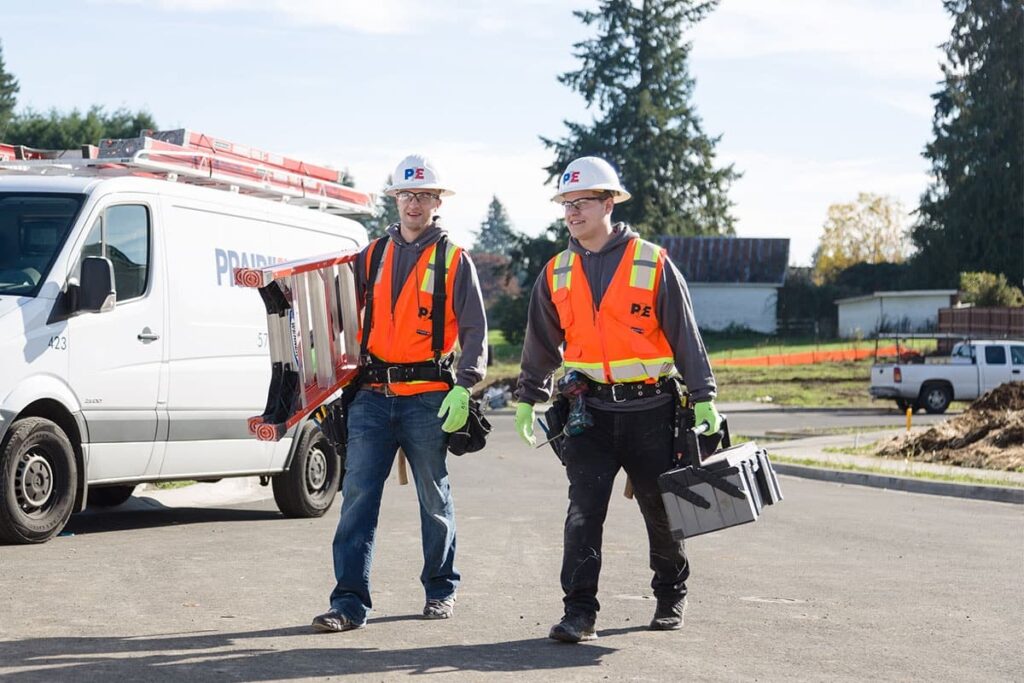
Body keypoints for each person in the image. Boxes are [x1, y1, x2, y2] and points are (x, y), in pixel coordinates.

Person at [513, 156, 721, 643]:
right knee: (582, 511)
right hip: (590, 414)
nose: (571, 212)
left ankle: (671, 595)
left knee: (661, 509)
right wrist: (528, 397)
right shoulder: (556, 272)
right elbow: (539, 342)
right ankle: (579, 612)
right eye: (566, 203)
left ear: (609, 202)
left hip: (653, 410)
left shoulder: (652, 262)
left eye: (581, 201)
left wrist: (704, 395)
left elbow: (685, 335)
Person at [312, 154, 488, 632]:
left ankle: (441, 589)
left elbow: (475, 329)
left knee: (434, 497)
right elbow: (339, 319)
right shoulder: (371, 255)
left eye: (424, 195)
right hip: (371, 394)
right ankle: (348, 603)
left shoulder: (454, 260)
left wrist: (466, 385)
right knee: (356, 500)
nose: (414, 202)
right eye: (406, 194)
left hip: (429, 394)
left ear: (437, 202)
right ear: (396, 199)